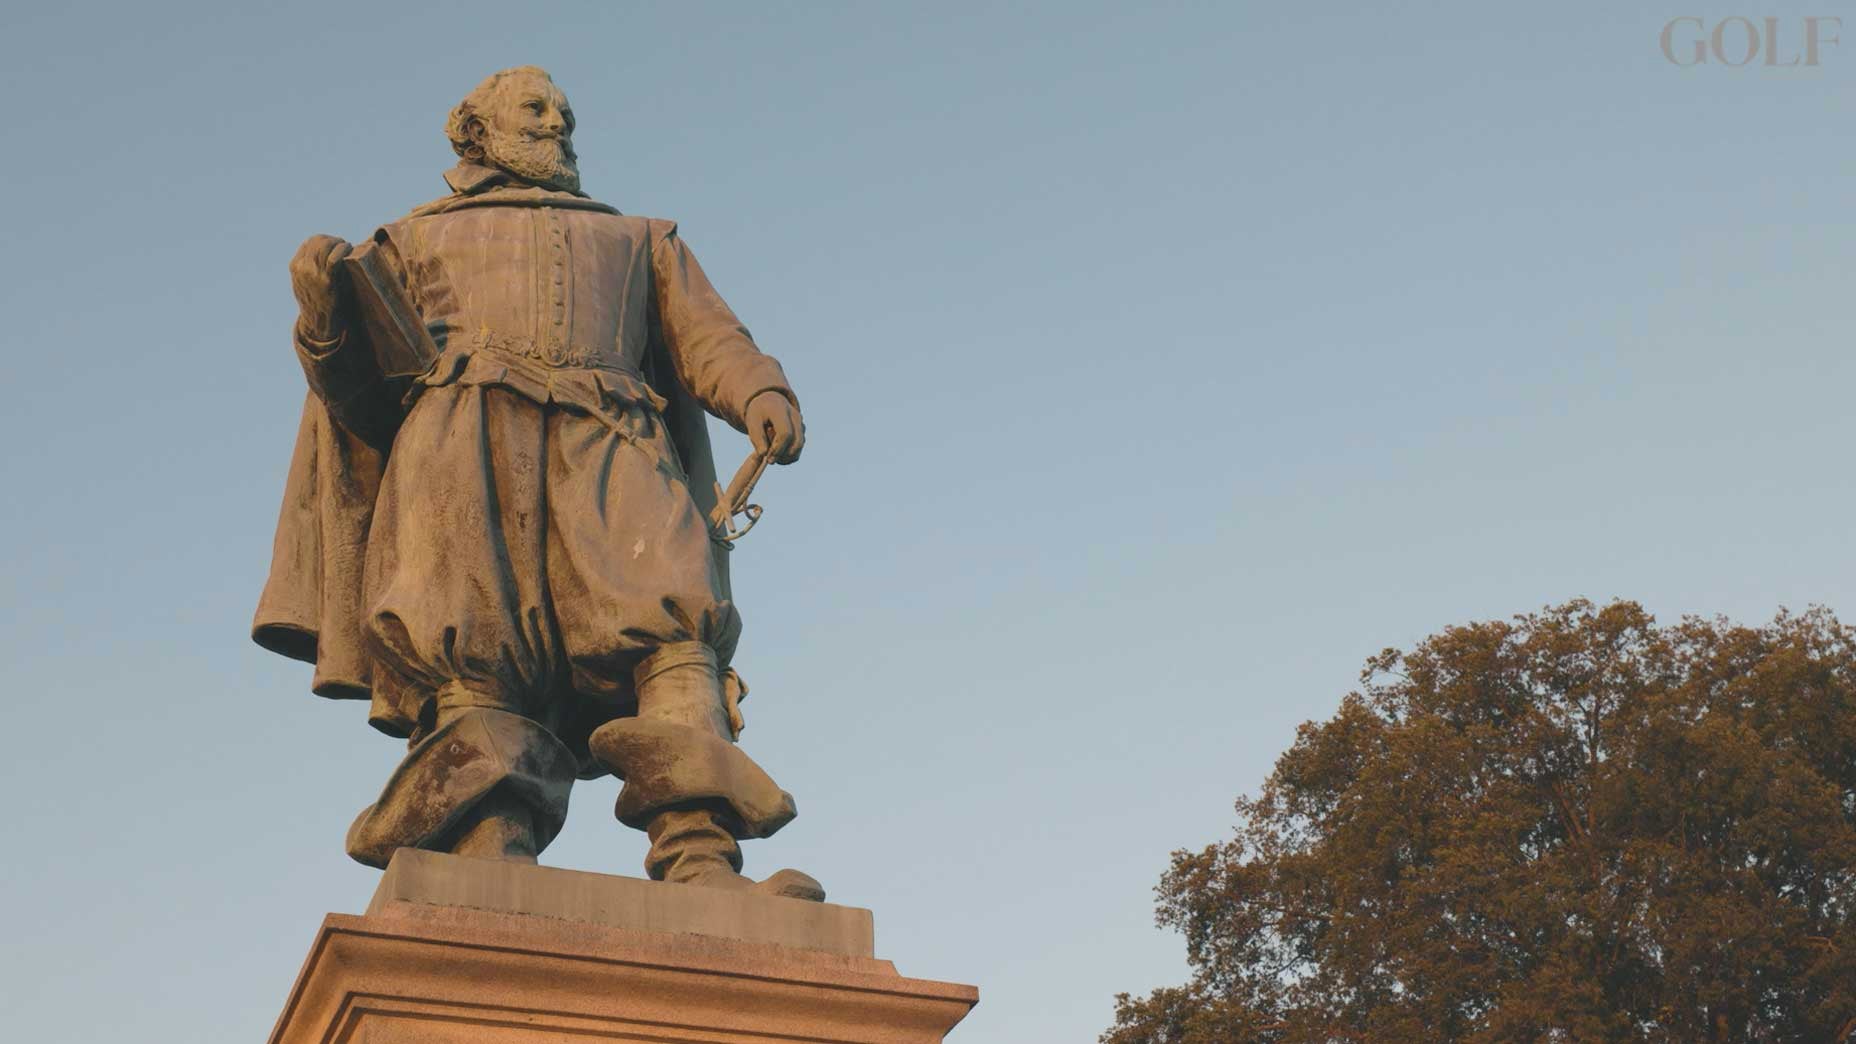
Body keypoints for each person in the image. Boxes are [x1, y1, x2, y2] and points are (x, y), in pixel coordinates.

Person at [253, 66, 822, 901]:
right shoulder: (404, 242)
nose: (556, 122)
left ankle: (700, 855)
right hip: (459, 452)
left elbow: (710, 340)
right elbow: (365, 404)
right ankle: (489, 840)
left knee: (674, 630)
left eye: (564, 112)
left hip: (615, 441)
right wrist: (323, 325)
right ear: (476, 131)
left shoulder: (640, 239)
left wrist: (760, 390)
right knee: (475, 650)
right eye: (535, 108)